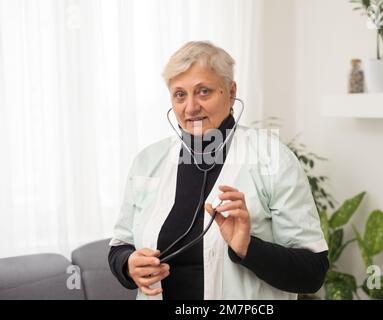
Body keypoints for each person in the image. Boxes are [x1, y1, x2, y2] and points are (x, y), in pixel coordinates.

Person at [108, 41, 329, 300]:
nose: (190, 107)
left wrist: (248, 248)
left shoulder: (272, 158)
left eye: (203, 91)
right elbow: (119, 246)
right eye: (180, 94)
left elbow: (312, 273)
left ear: (231, 92)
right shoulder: (148, 161)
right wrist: (128, 264)